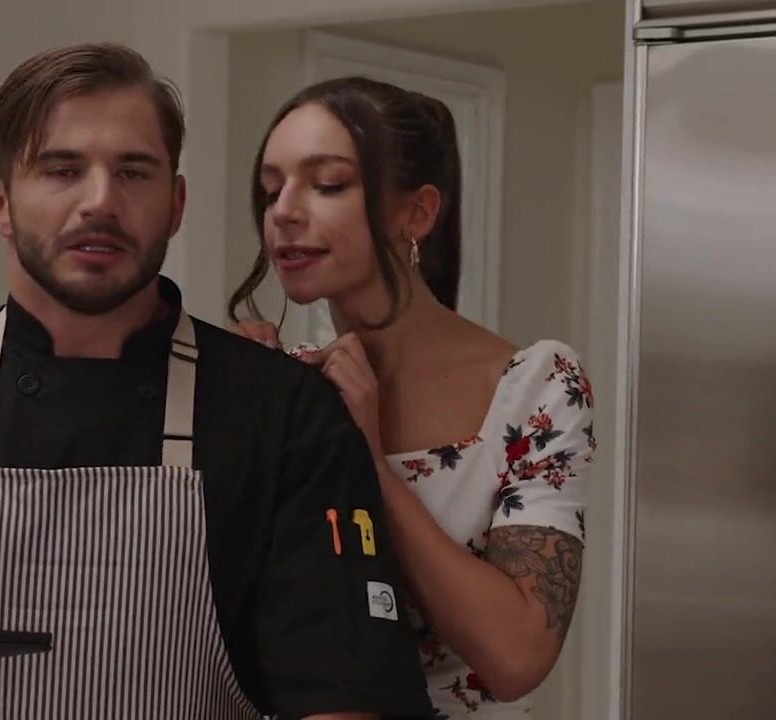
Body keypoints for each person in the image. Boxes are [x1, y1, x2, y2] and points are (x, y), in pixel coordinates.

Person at [0, 43, 431, 719]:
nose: (101, 201)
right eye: (62, 169)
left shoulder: (286, 417)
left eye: (133, 172)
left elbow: (341, 697)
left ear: (176, 205)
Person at [230, 77, 594, 717]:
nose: (283, 211)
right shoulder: (286, 386)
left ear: (417, 213)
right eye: (271, 189)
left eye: (327, 184)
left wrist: (369, 462)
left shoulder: (533, 388)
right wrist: (226, 408)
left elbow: (516, 659)